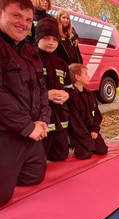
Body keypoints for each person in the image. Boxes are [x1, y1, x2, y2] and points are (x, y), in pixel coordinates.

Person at [0, 0, 51, 207]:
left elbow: (42, 89)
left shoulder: (31, 52)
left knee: (35, 176)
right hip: (6, 132)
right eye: (17, 16)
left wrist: (43, 121)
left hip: (30, 131)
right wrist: (27, 126)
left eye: (29, 19)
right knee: (2, 197)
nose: (23, 23)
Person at [35, 17, 73, 161]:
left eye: (55, 39)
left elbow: (71, 89)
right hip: (41, 123)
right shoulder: (32, 60)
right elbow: (24, 91)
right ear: (38, 38)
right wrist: (46, 95)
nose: (51, 42)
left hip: (60, 122)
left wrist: (67, 95)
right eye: (46, 38)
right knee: (39, 163)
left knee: (61, 157)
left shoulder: (62, 64)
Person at [68, 63, 108, 159]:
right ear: (77, 77)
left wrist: (95, 130)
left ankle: (88, 145)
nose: (88, 76)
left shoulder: (91, 95)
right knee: (84, 155)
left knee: (102, 150)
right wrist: (87, 139)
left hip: (91, 131)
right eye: (86, 74)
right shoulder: (71, 97)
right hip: (78, 133)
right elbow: (75, 123)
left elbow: (97, 115)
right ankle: (71, 143)